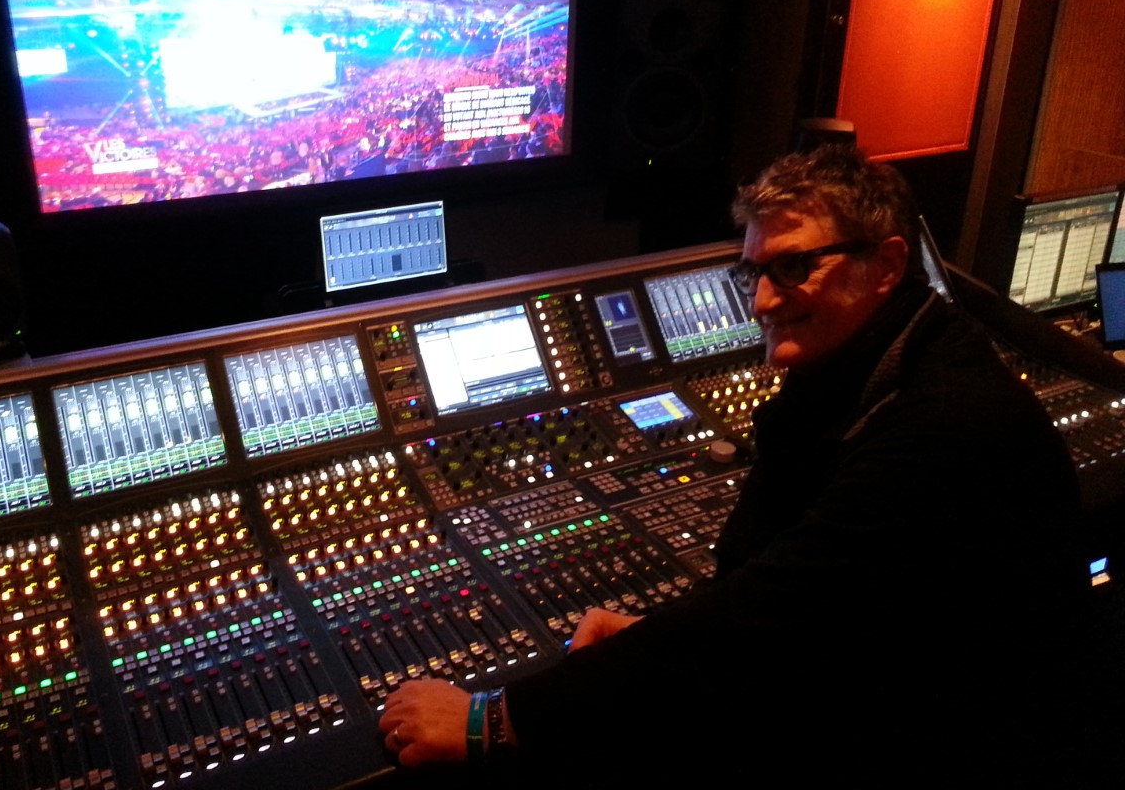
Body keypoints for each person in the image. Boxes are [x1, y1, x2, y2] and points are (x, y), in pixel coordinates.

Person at [377, 143, 1093, 786]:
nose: (762, 300)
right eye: (753, 272)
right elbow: (779, 612)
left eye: (794, 267)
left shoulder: (942, 426)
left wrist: (493, 720)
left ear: (888, 265)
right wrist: (658, 639)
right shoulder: (874, 370)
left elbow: (771, 616)